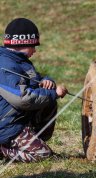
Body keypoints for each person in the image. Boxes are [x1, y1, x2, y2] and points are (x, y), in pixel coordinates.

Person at [0, 18, 68, 162]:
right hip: (6, 127)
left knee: (48, 101)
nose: (35, 51)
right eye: (33, 46)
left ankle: (33, 141)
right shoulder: (5, 65)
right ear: (23, 43)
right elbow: (23, 98)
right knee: (42, 155)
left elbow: (34, 81)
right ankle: (3, 149)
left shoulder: (19, 62)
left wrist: (46, 81)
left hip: (16, 122)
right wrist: (54, 93)